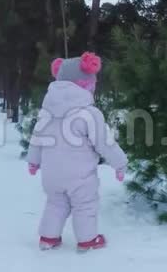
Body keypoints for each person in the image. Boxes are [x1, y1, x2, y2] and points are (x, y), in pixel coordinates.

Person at [26, 52, 128, 252]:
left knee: (55, 203)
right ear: (86, 85)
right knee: (85, 204)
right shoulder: (89, 113)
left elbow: (37, 138)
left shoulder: (47, 111)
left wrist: (33, 161)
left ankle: (48, 238)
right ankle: (88, 240)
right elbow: (104, 143)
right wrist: (120, 163)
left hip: (52, 174)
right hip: (80, 175)